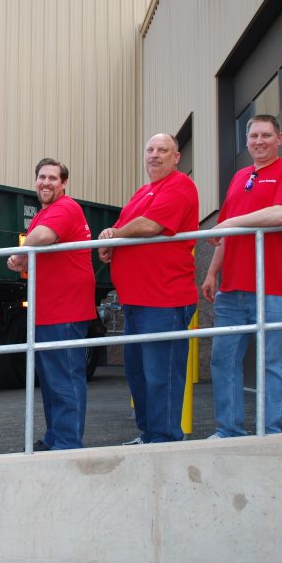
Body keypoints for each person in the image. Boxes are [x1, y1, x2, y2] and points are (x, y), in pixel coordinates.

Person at [201, 114, 282, 437]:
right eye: (253, 136)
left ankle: (269, 432)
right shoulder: (239, 178)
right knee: (224, 360)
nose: (259, 141)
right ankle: (229, 431)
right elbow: (224, 234)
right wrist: (211, 273)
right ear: (246, 141)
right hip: (231, 288)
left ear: (280, 138)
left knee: (272, 363)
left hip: (272, 287)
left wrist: (229, 224)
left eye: (265, 135)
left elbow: (280, 214)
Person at [98, 133, 198, 444]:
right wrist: (109, 240)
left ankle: (165, 439)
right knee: (139, 375)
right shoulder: (142, 192)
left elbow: (151, 226)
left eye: (162, 150)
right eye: (150, 149)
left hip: (164, 300)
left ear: (176, 157)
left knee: (162, 376)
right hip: (136, 301)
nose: (154, 155)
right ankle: (150, 434)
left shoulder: (181, 185)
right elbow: (124, 228)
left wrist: (115, 234)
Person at [7, 159, 96, 450]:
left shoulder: (65, 207)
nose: (46, 183)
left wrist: (20, 254)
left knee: (65, 379)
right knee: (51, 381)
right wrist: (23, 256)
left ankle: (67, 443)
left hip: (65, 311)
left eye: (52, 178)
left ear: (64, 183)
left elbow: (44, 237)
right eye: (41, 177)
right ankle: (56, 438)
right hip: (48, 311)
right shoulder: (46, 213)